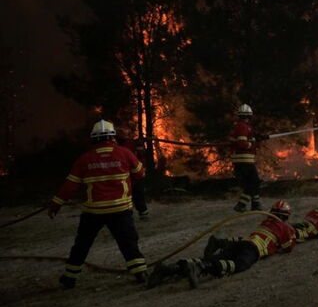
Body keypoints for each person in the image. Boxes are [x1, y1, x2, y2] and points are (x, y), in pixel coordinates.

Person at [47, 119, 148, 289]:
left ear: (93, 138)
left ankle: (69, 277)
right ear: (113, 136)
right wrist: (139, 157)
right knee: (128, 242)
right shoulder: (124, 153)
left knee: (82, 244)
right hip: (120, 209)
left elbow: (70, 185)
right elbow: (140, 175)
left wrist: (56, 203)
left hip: (93, 212)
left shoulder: (84, 159)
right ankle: (140, 274)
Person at [147, 200, 295, 289]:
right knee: (239, 264)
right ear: (286, 216)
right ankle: (201, 267)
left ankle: (171, 268)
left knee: (216, 258)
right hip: (252, 249)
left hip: (243, 243)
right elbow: (288, 247)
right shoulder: (284, 227)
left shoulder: (265, 223)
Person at [229, 103, 265, 212]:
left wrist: (256, 139)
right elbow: (242, 143)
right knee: (255, 182)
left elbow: (247, 140)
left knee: (252, 183)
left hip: (244, 160)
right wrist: (251, 144)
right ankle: (244, 204)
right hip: (244, 160)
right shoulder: (242, 126)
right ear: (249, 116)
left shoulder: (242, 126)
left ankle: (254, 204)